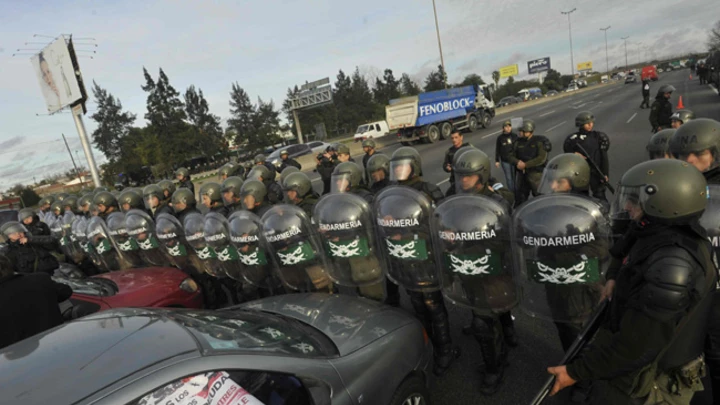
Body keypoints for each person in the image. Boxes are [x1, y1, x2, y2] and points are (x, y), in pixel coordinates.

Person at [548, 159, 716, 405]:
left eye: (635, 201)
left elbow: (636, 348)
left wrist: (575, 372)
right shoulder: (656, 229)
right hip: (631, 355)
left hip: (648, 383)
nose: (627, 206)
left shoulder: (672, 266)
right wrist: (613, 276)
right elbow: (623, 247)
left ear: (665, 202)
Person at [386, 146, 459, 375]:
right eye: (396, 166)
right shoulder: (391, 195)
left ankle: (445, 350)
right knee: (417, 306)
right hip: (405, 259)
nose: (398, 170)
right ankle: (429, 345)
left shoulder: (429, 191)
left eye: (403, 166)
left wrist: (407, 234)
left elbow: (442, 224)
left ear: (414, 166)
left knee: (433, 305)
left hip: (426, 258)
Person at [452, 148, 517, 394]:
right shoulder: (456, 200)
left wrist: (469, 242)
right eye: (460, 175)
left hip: (493, 271)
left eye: (468, 176)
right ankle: (507, 336)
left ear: (482, 175)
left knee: (483, 323)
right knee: (484, 310)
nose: (463, 180)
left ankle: (494, 369)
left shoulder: (497, 204)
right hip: (468, 268)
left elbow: (504, 240)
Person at [669, 119, 720, 404]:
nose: (689, 161)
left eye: (698, 154)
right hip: (686, 288)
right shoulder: (672, 187)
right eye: (682, 155)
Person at [0, 255, 72, 349]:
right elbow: (66, 291)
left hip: (23, 354)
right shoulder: (40, 279)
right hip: (59, 345)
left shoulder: (38, 279)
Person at [563, 111, 611, 202]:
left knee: (600, 197)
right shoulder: (572, 139)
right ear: (580, 124)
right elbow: (567, 157)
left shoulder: (599, 137)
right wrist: (574, 154)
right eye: (587, 123)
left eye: (591, 122)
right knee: (580, 198)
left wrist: (605, 173)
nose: (590, 125)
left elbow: (604, 157)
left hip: (596, 172)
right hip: (579, 173)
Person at [508, 120, 548, 205]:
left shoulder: (539, 142)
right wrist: (517, 162)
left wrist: (526, 165)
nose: (520, 133)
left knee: (541, 198)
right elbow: (510, 156)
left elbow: (541, 158)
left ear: (528, 131)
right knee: (520, 199)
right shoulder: (517, 142)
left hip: (536, 174)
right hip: (522, 175)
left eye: (522, 131)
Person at [443, 131, 471, 196]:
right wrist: (447, 167)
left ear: (461, 137)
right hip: (455, 180)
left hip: (468, 178)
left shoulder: (468, 148)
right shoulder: (449, 151)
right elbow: (445, 164)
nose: (454, 140)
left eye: (456, 137)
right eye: (452, 138)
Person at [494, 120, 518, 194]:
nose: (508, 128)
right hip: (505, 161)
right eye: (506, 127)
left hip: (514, 160)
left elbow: (518, 148)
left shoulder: (514, 136)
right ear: (503, 128)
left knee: (515, 177)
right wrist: (497, 160)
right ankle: (512, 193)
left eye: (509, 126)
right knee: (509, 178)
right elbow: (498, 149)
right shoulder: (500, 138)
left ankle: (517, 191)